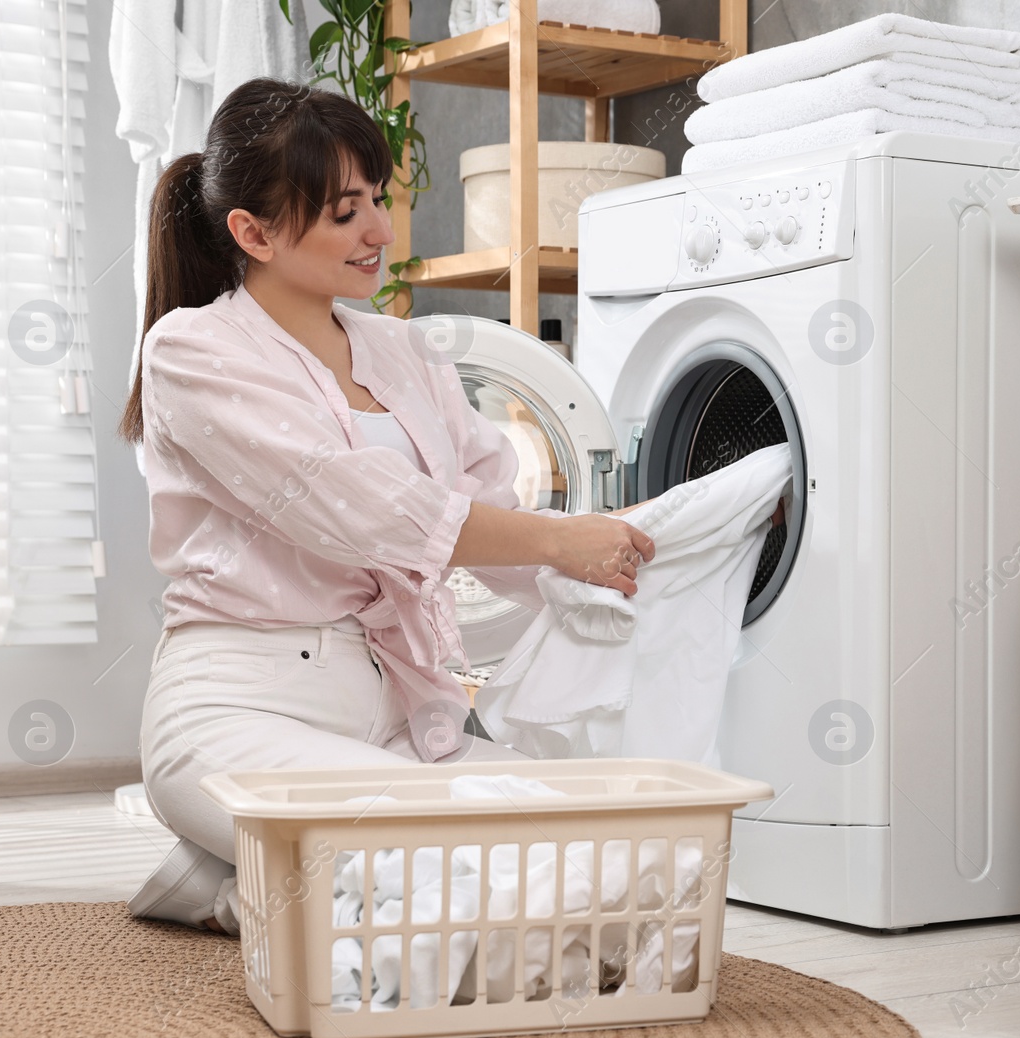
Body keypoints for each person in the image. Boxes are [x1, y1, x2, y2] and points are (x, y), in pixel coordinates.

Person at [121, 77, 660, 935]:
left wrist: (643, 552)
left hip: (398, 713)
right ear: (251, 233)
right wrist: (563, 542)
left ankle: (246, 875)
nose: (379, 231)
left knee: (586, 842)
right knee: (459, 857)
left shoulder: (402, 350)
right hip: (236, 710)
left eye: (377, 197)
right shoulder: (191, 353)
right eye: (344, 212)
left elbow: (485, 500)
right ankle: (254, 871)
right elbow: (360, 507)